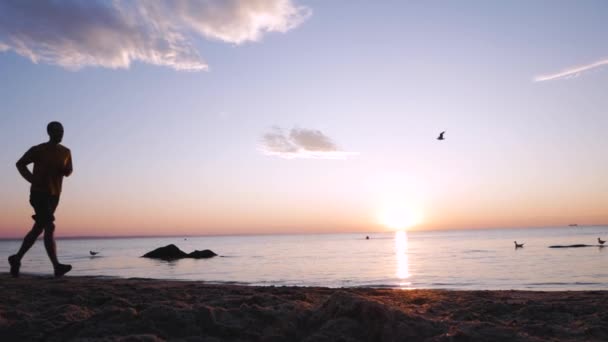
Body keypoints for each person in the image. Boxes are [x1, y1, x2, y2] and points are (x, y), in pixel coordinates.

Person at [8, 121, 73, 277]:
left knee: (39, 228)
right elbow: (20, 164)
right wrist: (32, 179)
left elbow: (69, 171)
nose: (60, 134)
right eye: (57, 131)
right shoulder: (38, 150)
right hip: (39, 193)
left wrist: (65, 170)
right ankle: (56, 266)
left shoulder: (66, 152)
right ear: (49, 132)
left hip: (54, 195)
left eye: (62, 131)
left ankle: (16, 258)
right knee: (49, 226)